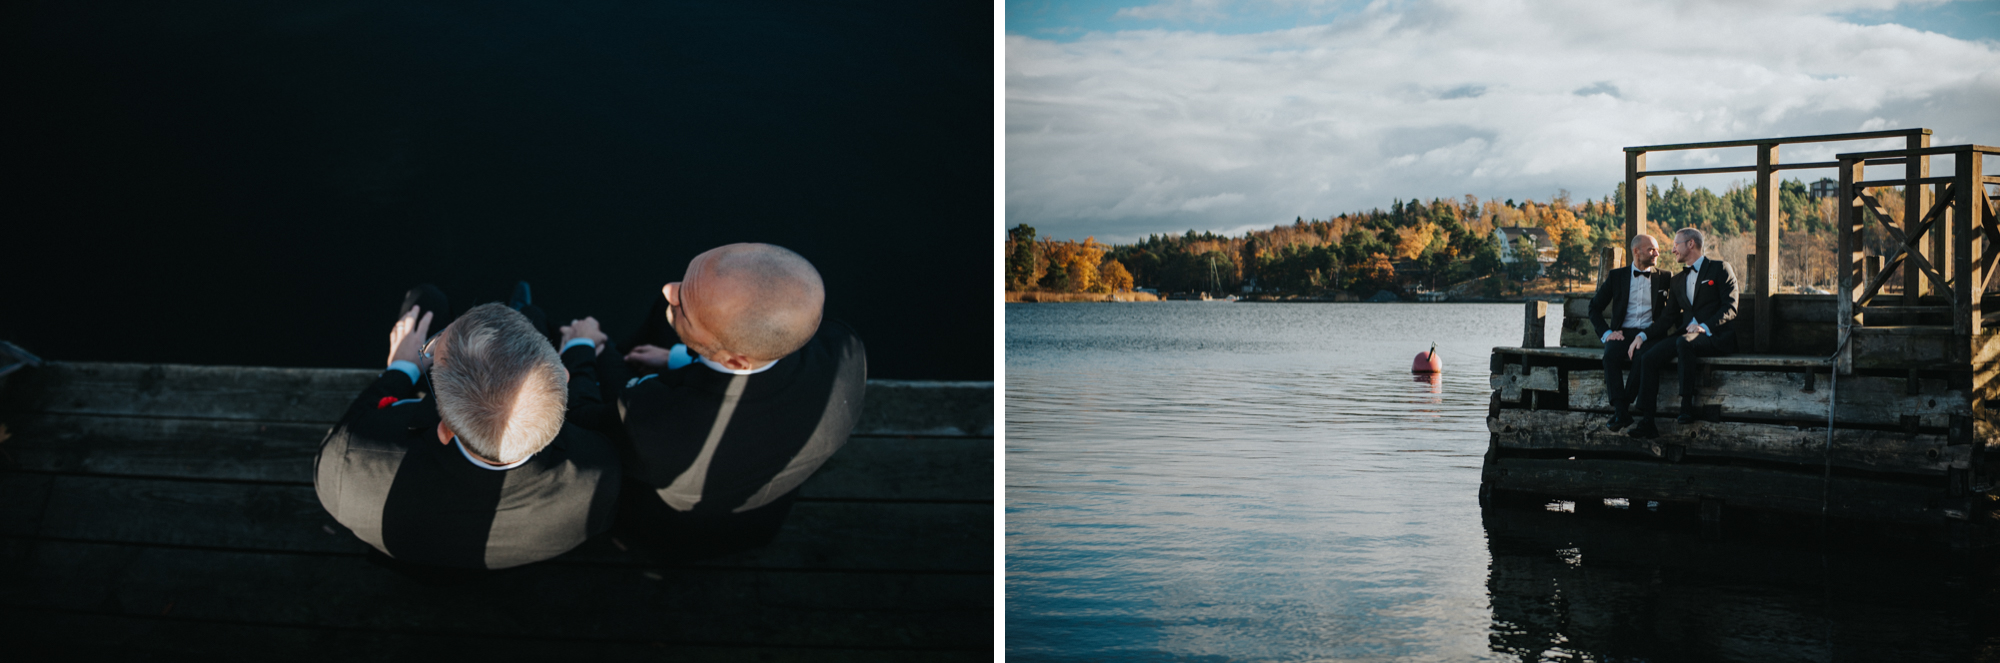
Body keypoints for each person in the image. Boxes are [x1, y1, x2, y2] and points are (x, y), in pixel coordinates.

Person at [564, 243, 867, 559]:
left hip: (669, 527)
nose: (670, 290)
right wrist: (678, 358)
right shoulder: (845, 351)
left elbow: (582, 415)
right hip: (762, 519)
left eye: (684, 309)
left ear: (735, 361)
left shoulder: (653, 424)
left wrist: (581, 346)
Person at [314, 286, 621, 575]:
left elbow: (358, 418)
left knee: (428, 298)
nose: (429, 354)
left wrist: (401, 368)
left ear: (445, 430)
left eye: (432, 353)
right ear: (563, 375)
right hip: (511, 570)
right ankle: (525, 312)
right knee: (534, 316)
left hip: (415, 566)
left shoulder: (348, 461)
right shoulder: (598, 476)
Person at [1627, 228, 1739, 438]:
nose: (1672, 250)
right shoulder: (1677, 280)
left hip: (1715, 335)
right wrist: (1642, 336)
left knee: (1684, 343)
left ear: (1690, 244)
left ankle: (1686, 405)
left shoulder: (1720, 268)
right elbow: (1667, 318)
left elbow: (1730, 307)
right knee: (1649, 357)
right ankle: (1647, 422)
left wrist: (1704, 326)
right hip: (1685, 336)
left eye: (1675, 245)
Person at [1587, 233, 1671, 432]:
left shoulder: (1665, 278)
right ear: (1636, 251)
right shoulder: (1617, 277)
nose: (1657, 253)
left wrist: (1648, 334)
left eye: (1657, 249)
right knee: (1609, 356)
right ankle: (1620, 410)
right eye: (1651, 249)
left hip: (1650, 334)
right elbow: (1594, 307)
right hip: (1622, 333)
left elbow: (1672, 313)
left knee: (1643, 356)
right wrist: (1607, 333)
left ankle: (1622, 409)